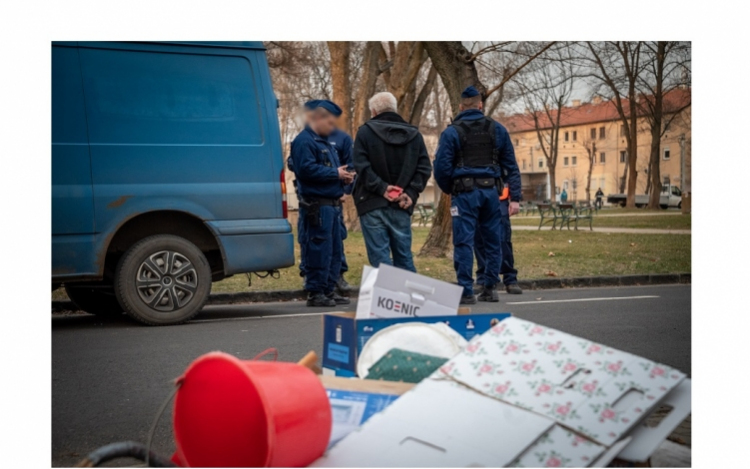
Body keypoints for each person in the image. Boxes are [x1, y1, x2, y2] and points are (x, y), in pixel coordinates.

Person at [433, 86, 521, 304]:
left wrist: (450, 188)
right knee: (493, 242)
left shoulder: (452, 132)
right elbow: (511, 165)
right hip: (491, 193)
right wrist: (515, 196)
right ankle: (490, 288)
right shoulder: (497, 130)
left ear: (461, 106)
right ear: (480, 105)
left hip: (464, 194)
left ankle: (466, 290)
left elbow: (441, 168)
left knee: (463, 242)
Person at [352, 92, 432, 271]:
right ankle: (406, 298)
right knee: (403, 256)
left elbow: (361, 166)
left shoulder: (365, 132)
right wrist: (410, 192)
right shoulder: (414, 135)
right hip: (402, 203)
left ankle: (387, 297)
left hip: (372, 202)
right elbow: (424, 168)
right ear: (395, 109)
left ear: (373, 111)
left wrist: (382, 188)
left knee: (380, 259)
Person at [289, 100, 354, 307]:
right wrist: (335, 173)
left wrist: (343, 177)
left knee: (334, 249)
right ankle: (316, 291)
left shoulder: (324, 142)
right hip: (318, 205)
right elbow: (306, 169)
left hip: (332, 204)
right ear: (318, 119)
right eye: (330, 122)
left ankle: (328, 289)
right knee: (319, 248)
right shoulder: (305, 141)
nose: (333, 128)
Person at [474, 169, 523, 294]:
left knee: (503, 241)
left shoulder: (500, 149)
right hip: (476, 196)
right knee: (479, 240)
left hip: (499, 198)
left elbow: (512, 171)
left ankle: (510, 278)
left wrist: (515, 199)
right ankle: (483, 279)